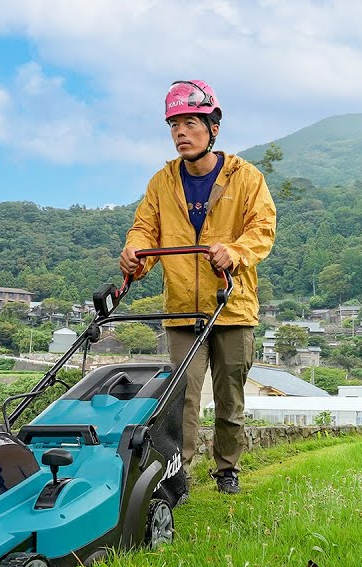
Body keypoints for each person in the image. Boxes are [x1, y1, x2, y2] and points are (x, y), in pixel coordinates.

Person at [120, 79, 276, 496]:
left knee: (230, 398)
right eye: (174, 125)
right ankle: (177, 473)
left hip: (232, 306)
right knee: (181, 397)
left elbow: (262, 228)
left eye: (190, 122)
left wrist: (236, 251)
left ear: (213, 128)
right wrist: (134, 254)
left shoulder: (246, 178)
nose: (181, 133)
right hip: (181, 310)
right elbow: (145, 230)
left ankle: (228, 469)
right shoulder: (162, 181)